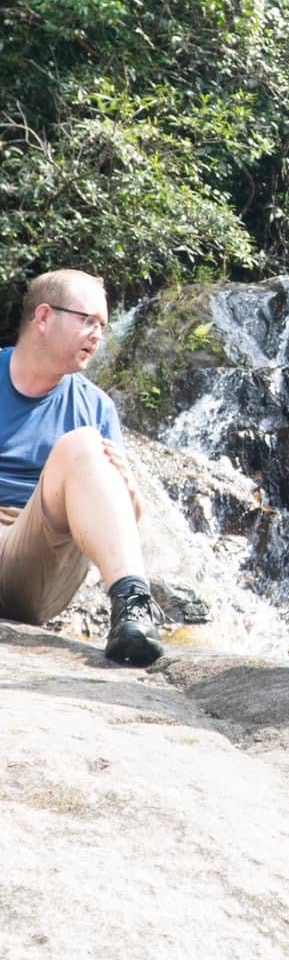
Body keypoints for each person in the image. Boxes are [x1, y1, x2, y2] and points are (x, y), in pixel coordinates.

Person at [0, 269, 163, 664]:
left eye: (103, 326)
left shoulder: (95, 407)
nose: (97, 335)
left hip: (37, 561)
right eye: (87, 320)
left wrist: (130, 494)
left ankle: (133, 606)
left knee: (83, 444)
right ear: (43, 317)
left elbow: (126, 516)